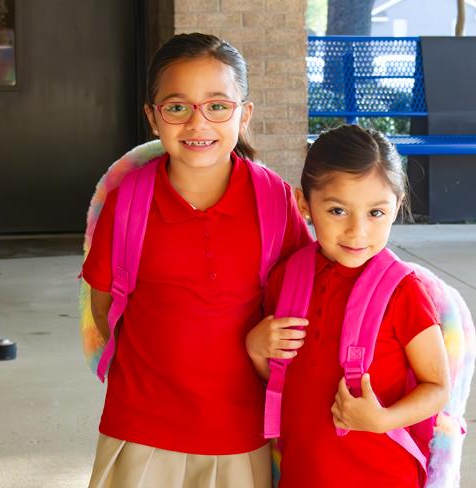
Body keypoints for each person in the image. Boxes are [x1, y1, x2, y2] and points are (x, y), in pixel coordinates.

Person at [82, 33, 311, 488]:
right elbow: (105, 305)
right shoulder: (127, 201)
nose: (197, 123)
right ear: (153, 117)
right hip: (141, 426)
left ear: (244, 115)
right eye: (177, 107)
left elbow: (302, 295)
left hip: (241, 430)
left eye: (218, 106)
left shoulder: (274, 199)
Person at [246, 125, 451, 487]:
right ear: (304, 204)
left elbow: (437, 387)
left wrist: (383, 420)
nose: (358, 231)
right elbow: (287, 378)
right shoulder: (286, 279)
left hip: (383, 474)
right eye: (338, 210)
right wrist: (256, 349)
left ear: (397, 206)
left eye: (376, 213)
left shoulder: (404, 292)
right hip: (304, 473)